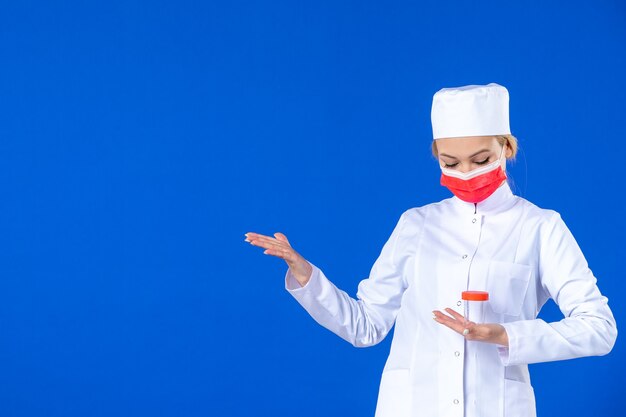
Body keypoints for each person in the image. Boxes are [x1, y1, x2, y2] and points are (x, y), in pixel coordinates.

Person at [244, 83, 617, 417]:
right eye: (450, 163)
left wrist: (505, 334)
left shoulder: (540, 227)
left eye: (482, 159)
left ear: (505, 147)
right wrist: (305, 275)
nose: (467, 173)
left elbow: (599, 328)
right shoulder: (416, 224)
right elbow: (365, 326)